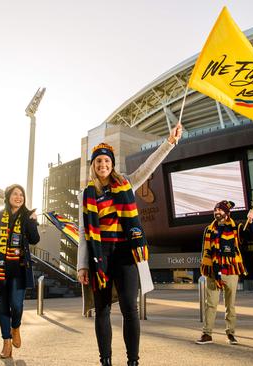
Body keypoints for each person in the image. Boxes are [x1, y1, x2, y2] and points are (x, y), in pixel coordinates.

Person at [78, 122, 183, 366]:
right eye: (98, 162)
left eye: (106, 161)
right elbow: (84, 232)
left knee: (129, 309)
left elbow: (149, 167)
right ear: (93, 166)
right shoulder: (87, 193)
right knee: (102, 311)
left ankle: (133, 361)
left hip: (126, 253)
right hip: (99, 255)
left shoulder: (126, 183)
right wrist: (82, 265)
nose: (103, 165)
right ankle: (105, 360)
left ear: (112, 164)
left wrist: (169, 142)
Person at [0, 184, 40, 359]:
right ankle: (6, 342)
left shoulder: (27, 216)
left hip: (19, 269)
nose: (18, 197)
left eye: (21, 194)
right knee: (3, 306)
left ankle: (16, 327)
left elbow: (35, 239)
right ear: (8, 196)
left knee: (17, 304)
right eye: (15, 194)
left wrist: (32, 222)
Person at [196, 200, 253, 346]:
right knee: (210, 304)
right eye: (215, 210)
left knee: (231, 305)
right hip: (213, 272)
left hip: (231, 270)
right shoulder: (208, 230)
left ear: (227, 213)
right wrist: (207, 268)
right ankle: (207, 334)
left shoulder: (236, 228)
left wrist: (251, 220)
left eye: (220, 210)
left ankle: (231, 334)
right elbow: (205, 250)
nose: (217, 212)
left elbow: (251, 236)